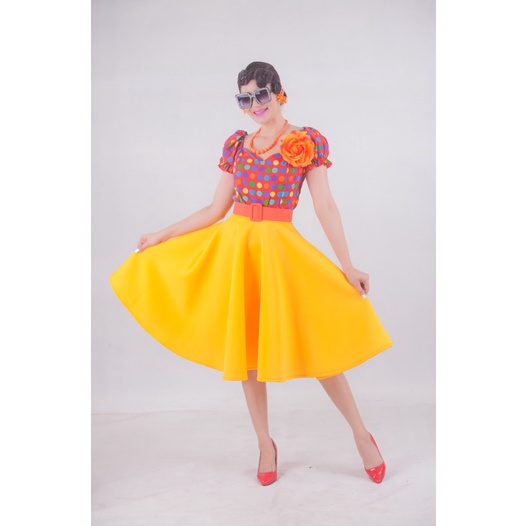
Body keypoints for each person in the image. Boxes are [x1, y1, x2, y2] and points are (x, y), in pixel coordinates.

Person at [110, 61, 393, 486]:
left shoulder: (307, 141)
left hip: (280, 253)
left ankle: (360, 434)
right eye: (245, 98)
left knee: (320, 347)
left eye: (261, 94)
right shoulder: (237, 145)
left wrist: (347, 264)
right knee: (248, 357)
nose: (254, 105)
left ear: (279, 93)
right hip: (237, 250)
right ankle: (264, 444)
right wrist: (162, 234)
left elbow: (325, 206)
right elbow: (215, 209)